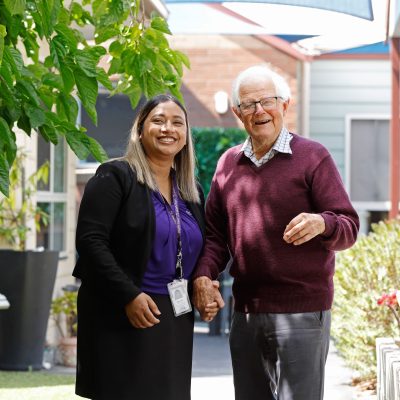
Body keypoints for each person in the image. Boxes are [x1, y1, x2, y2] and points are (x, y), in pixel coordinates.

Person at [193, 65, 360, 400]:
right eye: (249, 105)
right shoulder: (228, 164)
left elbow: (349, 226)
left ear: (284, 105)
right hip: (246, 311)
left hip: (302, 310)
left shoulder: (313, 157)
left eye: (267, 101)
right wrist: (202, 275)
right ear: (238, 113)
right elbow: (215, 236)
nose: (259, 111)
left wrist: (322, 223)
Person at [73, 94, 218, 400]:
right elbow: (91, 242)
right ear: (140, 130)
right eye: (158, 120)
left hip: (175, 313)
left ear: (186, 134)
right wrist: (129, 295)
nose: (168, 128)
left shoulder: (191, 190)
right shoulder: (115, 176)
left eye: (177, 122)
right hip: (124, 311)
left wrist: (204, 284)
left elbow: (201, 246)